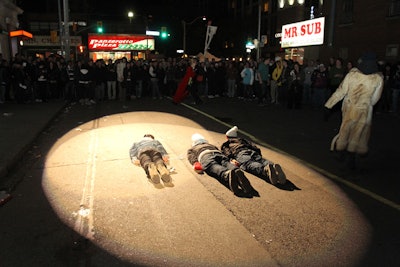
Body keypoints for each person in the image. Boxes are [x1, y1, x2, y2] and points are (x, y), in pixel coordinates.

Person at [324, 52, 384, 170]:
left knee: (345, 130)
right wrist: (366, 104)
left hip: (349, 108)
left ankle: (340, 153)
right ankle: (351, 161)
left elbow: (341, 91)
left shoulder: (352, 75)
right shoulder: (378, 79)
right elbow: (375, 99)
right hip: (364, 110)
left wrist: (328, 105)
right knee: (357, 134)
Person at [187, 133, 258, 197]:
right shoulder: (211, 145)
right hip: (218, 153)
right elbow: (222, 153)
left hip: (204, 155)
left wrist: (196, 164)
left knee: (212, 165)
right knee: (225, 162)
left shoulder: (192, 149)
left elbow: (192, 158)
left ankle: (226, 174)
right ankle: (235, 169)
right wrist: (231, 160)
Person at [220, 126, 286, 186]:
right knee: (261, 160)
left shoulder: (226, 144)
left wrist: (231, 159)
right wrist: (257, 154)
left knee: (249, 163)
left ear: (227, 137)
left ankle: (265, 170)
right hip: (251, 151)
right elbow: (255, 147)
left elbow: (227, 153)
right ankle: (272, 166)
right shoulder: (242, 140)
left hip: (239, 153)